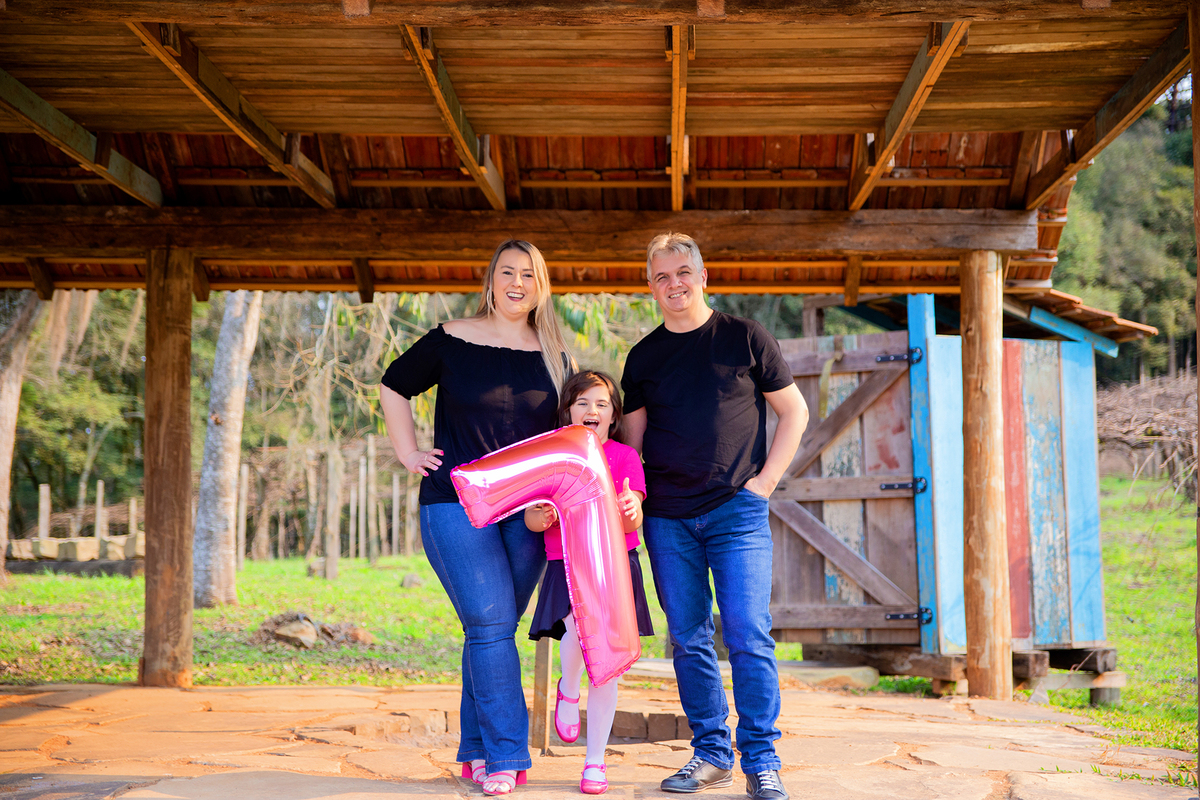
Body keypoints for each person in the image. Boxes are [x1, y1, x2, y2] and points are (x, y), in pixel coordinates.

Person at [380, 239, 576, 797]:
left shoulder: (556, 353)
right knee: (491, 626)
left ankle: (473, 749)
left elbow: (574, 432)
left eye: (529, 275)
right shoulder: (450, 338)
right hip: (455, 503)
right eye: (508, 273)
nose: (518, 283)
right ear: (490, 280)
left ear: (541, 286)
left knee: (488, 632)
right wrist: (409, 452)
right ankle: (506, 757)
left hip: (531, 512)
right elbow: (394, 386)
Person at [620, 233, 809, 800]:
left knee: (749, 634)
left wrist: (764, 484)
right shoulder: (644, 356)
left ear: (703, 276)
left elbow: (794, 411)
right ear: (651, 285)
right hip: (667, 520)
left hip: (737, 512)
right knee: (689, 638)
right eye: (661, 276)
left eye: (682, 273)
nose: (673, 284)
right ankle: (710, 755)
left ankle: (761, 760)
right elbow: (632, 444)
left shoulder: (746, 338)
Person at [524, 370, 655, 796]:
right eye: (582, 402)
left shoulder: (624, 457)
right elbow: (531, 516)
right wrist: (539, 517)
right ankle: (568, 686)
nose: (591, 410)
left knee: (609, 666)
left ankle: (595, 760)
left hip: (615, 565)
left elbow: (633, 505)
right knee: (577, 633)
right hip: (566, 561)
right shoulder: (551, 454)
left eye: (601, 403)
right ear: (566, 412)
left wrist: (631, 509)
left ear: (614, 415)